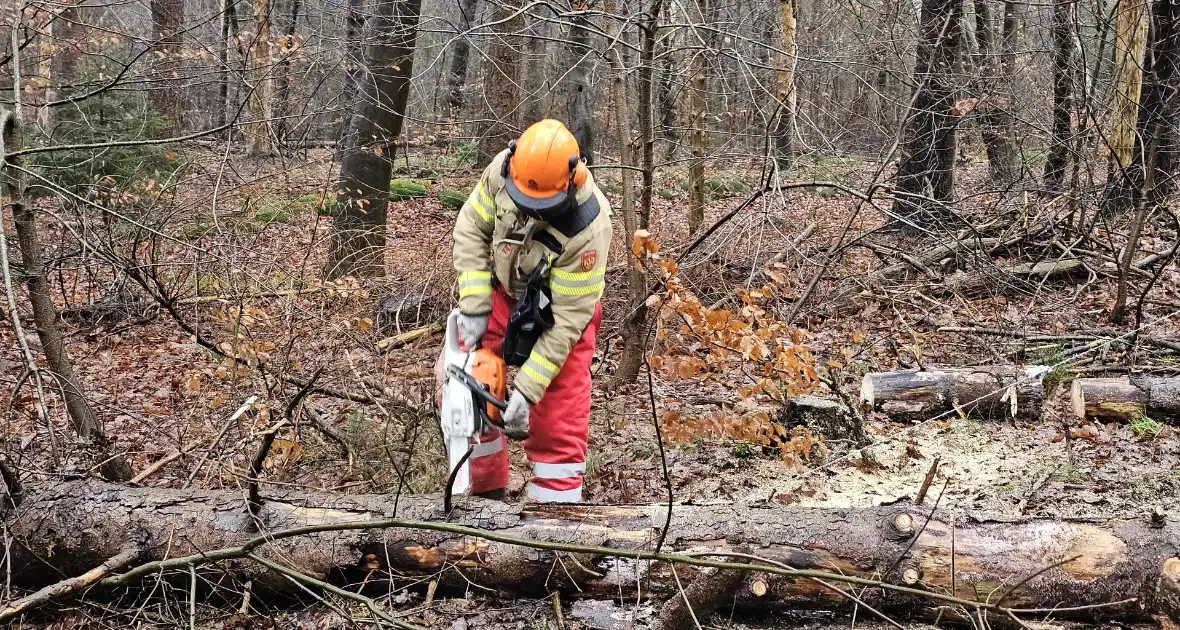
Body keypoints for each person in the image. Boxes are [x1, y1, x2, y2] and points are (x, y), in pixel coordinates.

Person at [450, 119, 612, 503]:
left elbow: (569, 321)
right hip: (506, 295)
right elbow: (471, 227)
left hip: (562, 316)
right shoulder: (502, 170)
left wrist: (528, 389)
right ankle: (481, 496)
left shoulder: (589, 226)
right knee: (467, 382)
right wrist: (475, 306)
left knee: (558, 420)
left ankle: (554, 521)